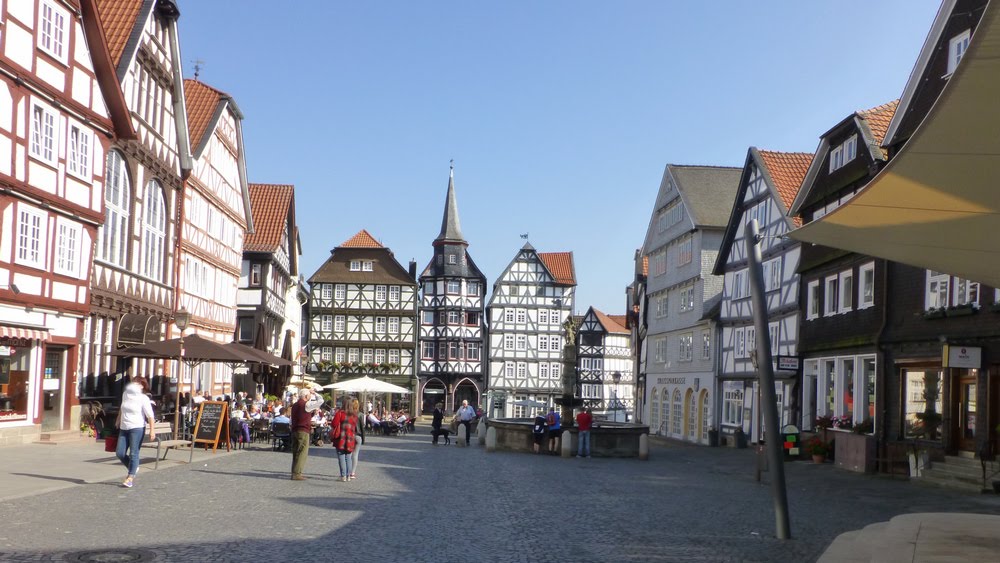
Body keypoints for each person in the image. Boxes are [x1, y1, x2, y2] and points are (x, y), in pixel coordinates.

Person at [115, 375, 155, 488]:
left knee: (134, 453)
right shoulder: (125, 395)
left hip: (137, 428)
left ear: (142, 387)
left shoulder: (144, 399)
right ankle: (133, 467)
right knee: (120, 452)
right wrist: (118, 420)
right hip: (124, 427)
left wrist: (152, 431)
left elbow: (150, 416)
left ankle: (130, 477)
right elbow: (121, 409)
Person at [290, 389, 322, 481]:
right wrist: (315, 393)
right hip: (303, 430)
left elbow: (300, 416)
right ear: (306, 396)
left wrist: (310, 415)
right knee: (302, 452)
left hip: (295, 429)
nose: (310, 397)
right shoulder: (306, 404)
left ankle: (294, 471)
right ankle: (297, 473)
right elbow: (321, 401)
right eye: (309, 396)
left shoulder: (295, 405)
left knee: (296, 452)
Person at [331, 397, 360, 481]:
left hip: (341, 437)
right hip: (351, 438)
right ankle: (348, 476)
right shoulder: (354, 415)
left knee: (341, 456)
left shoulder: (340, 413)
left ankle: (343, 475)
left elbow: (334, 424)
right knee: (348, 457)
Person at [349, 399, 365, 480]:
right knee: (355, 454)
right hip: (358, 436)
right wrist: (364, 438)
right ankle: (352, 472)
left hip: (349, 435)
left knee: (348, 454)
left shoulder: (348, 414)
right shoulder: (361, 414)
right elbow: (362, 427)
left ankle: (346, 471)